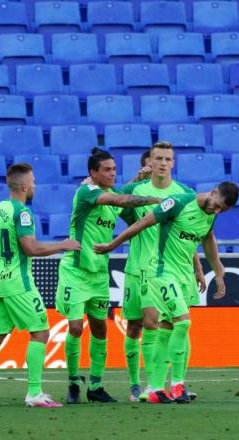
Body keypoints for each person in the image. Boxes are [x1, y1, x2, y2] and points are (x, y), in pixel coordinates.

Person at [94, 182, 239, 403]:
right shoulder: (179, 203)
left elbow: (208, 238)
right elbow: (142, 223)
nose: (216, 211)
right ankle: (178, 385)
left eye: (222, 210)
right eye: (217, 205)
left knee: (167, 327)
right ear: (212, 193)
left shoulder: (211, 213)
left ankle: (154, 388)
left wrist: (217, 271)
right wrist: (112, 245)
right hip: (160, 272)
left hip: (183, 277)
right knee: (183, 322)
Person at [56, 148, 162, 404]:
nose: (112, 173)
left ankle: (95, 386)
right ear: (93, 173)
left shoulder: (110, 193)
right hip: (76, 270)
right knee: (75, 327)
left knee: (100, 328)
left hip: (99, 273)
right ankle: (72, 382)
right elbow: (120, 201)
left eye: (114, 169)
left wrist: (137, 179)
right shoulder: (86, 192)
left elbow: (119, 197)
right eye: (107, 169)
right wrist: (156, 200)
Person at [0, 163, 81, 408]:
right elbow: (31, 248)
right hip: (18, 283)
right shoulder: (21, 212)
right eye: (32, 182)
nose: (34, 186)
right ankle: (34, 393)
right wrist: (63, 245)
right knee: (40, 332)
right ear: (23, 186)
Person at [119, 141, 205, 402]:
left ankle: (165, 384)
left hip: (171, 271)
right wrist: (135, 178)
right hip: (139, 266)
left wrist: (197, 266)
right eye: (159, 158)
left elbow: (188, 234)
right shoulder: (137, 190)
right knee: (136, 326)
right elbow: (116, 207)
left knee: (170, 323)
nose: (163, 163)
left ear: (173, 163)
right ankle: (137, 384)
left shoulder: (184, 193)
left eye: (168, 159)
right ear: (150, 162)